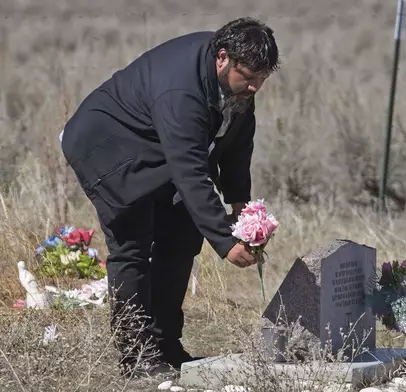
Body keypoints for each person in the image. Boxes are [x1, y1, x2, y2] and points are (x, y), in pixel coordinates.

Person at [60, 17, 280, 377]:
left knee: (181, 235)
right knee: (132, 245)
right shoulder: (183, 92)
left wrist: (242, 207)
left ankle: (166, 345)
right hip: (108, 147)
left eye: (263, 79)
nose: (255, 87)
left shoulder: (238, 87)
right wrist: (226, 242)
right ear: (222, 58)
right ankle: (136, 357)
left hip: (157, 147)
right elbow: (191, 171)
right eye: (249, 76)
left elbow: (236, 145)